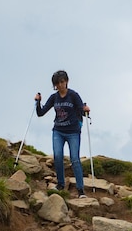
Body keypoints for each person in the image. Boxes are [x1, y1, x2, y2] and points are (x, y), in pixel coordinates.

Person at [35, 70, 90, 198]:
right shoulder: (54, 97)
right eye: (57, 83)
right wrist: (38, 102)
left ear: (66, 81)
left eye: (62, 82)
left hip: (73, 132)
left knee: (75, 159)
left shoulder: (73, 95)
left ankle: (80, 190)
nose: (60, 85)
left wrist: (86, 110)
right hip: (58, 131)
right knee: (58, 156)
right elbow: (40, 113)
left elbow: (81, 110)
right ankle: (60, 184)